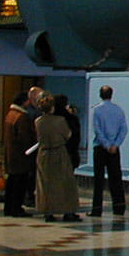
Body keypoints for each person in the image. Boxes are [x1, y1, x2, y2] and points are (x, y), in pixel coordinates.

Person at [34, 91, 82, 222]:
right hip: (59, 152)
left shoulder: (38, 121)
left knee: (45, 184)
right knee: (65, 183)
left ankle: (48, 212)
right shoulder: (60, 120)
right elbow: (68, 135)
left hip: (43, 153)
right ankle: (68, 211)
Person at [90, 85, 127, 217]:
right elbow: (123, 130)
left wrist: (106, 144)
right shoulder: (119, 110)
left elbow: (97, 130)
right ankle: (119, 207)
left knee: (98, 179)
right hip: (114, 149)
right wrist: (115, 145)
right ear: (112, 94)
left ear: (100, 95)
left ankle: (97, 209)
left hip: (100, 148)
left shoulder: (97, 110)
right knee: (116, 178)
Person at [2, 89, 36, 217]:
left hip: (11, 154)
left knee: (11, 182)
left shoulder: (10, 114)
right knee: (20, 184)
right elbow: (25, 138)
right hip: (21, 156)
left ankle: (9, 207)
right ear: (25, 102)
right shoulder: (21, 117)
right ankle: (16, 208)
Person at [54, 94, 82, 169]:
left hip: (53, 158)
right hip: (70, 156)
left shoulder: (45, 120)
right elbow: (76, 139)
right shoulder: (72, 119)